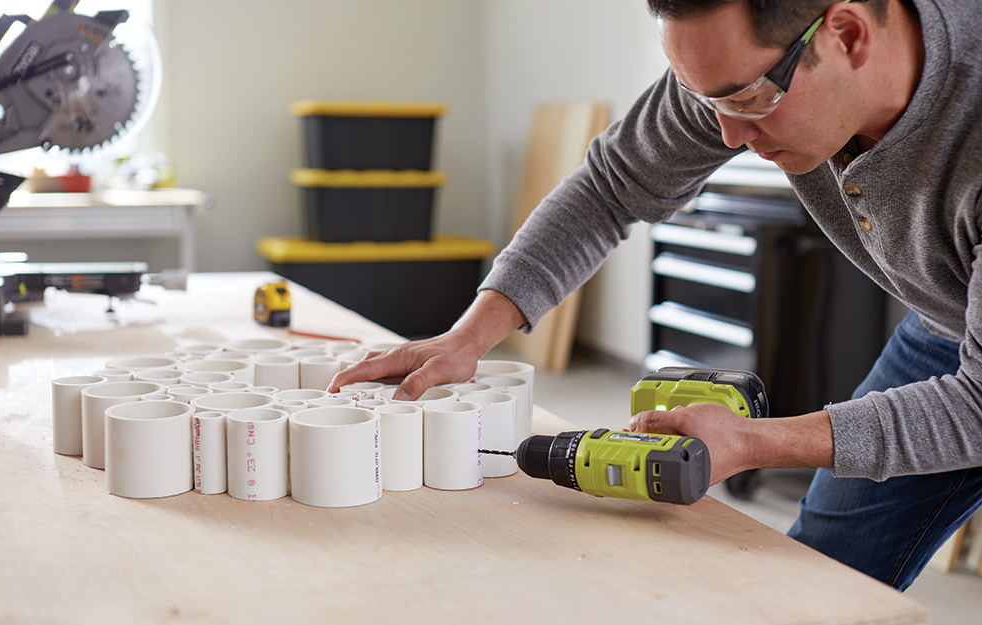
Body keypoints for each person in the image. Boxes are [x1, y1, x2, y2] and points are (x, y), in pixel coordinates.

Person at [330, 0, 982, 590]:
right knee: (822, 569)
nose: (728, 137)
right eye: (710, 104)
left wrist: (755, 442)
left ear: (846, 34)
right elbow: (609, 188)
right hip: (942, 325)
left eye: (745, 101)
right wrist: (465, 336)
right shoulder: (746, 65)